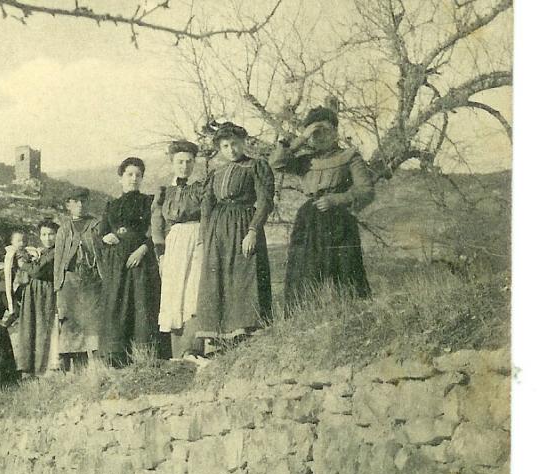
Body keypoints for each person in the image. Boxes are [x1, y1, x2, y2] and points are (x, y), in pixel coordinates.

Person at [270, 106, 375, 310]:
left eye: (325, 130)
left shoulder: (350, 156)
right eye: (315, 132)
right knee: (305, 269)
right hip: (309, 220)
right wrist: (301, 138)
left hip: (340, 220)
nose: (320, 136)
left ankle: (348, 315)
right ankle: (304, 317)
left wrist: (336, 200)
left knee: (344, 272)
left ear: (335, 132)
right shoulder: (305, 160)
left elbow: (366, 190)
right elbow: (276, 163)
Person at [195, 122, 275, 342]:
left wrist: (252, 231)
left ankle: (248, 331)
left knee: (244, 276)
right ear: (220, 149)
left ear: (243, 143)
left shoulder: (256, 166)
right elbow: (206, 208)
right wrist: (204, 239)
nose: (231, 150)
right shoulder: (215, 173)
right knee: (217, 278)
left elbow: (265, 202)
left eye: (235, 144)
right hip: (218, 230)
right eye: (225, 146)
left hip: (243, 226)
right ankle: (222, 337)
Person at [97, 157, 162, 367]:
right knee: (117, 304)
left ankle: (143, 356)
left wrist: (142, 250)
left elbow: (154, 232)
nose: (134, 179)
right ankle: (117, 358)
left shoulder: (148, 202)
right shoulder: (111, 205)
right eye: (129, 174)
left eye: (138, 175)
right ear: (121, 178)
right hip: (117, 264)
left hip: (140, 262)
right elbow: (101, 233)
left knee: (141, 303)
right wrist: (107, 237)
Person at [151, 140, 204, 357]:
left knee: (193, 292)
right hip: (174, 242)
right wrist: (160, 254)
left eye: (189, 162)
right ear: (172, 163)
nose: (184, 166)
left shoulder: (200, 188)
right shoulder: (164, 192)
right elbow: (156, 224)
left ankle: (195, 348)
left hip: (198, 239)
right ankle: (178, 351)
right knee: (175, 293)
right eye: (180, 162)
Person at [54, 188, 102, 371]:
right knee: (70, 323)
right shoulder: (64, 229)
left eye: (83, 201)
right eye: (76, 201)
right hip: (70, 281)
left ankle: (97, 368)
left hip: (92, 280)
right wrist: (58, 288)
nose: (80, 205)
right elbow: (58, 261)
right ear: (69, 205)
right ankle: (73, 370)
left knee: (93, 322)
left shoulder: (96, 224)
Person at [15, 220, 60, 376]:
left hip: (45, 292)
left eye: (51, 234)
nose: (47, 238)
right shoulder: (42, 252)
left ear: (57, 235)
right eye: (44, 234)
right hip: (32, 292)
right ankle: (28, 369)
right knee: (29, 327)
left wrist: (22, 264)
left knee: (42, 328)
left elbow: (36, 270)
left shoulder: (55, 252)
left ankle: (42, 369)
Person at [3, 230, 32, 315]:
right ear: (12, 242)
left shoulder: (26, 252)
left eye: (24, 241)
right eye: (18, 241)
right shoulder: (13, 253)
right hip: (19, 280)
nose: (22, 243)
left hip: (27, 280)